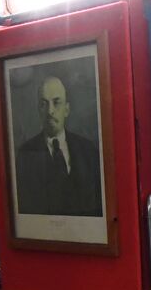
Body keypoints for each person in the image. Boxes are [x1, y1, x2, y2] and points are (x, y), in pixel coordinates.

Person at [14, 76, 103, 216]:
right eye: (44, 104)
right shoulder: (25, 154)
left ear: (66, 109)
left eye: (56, 103)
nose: (50, 111)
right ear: (39, 110)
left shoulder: (88, 150)